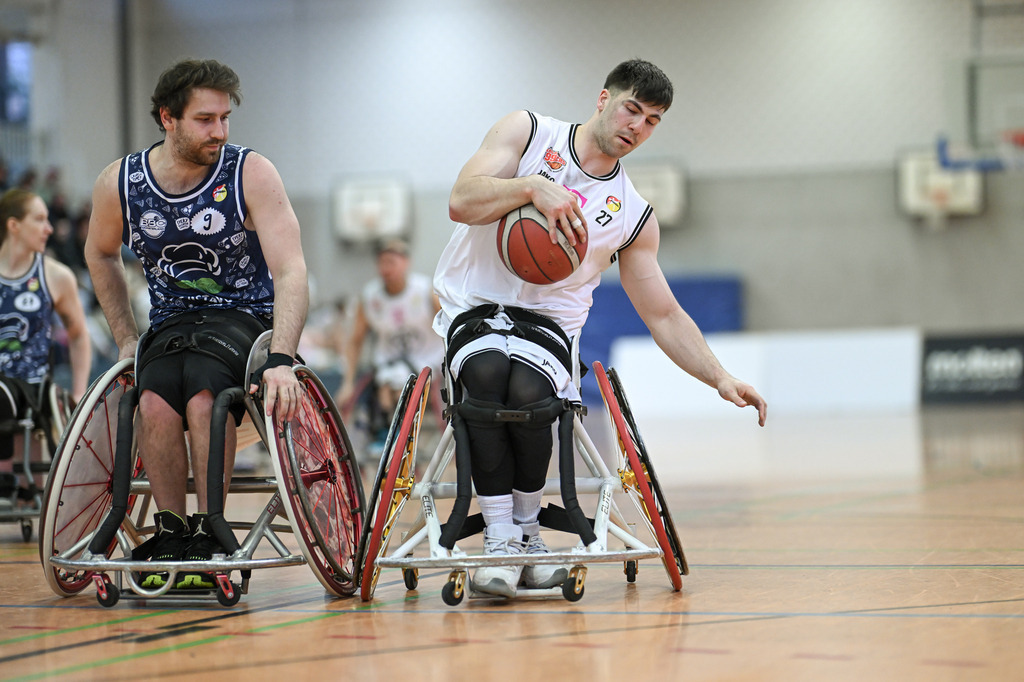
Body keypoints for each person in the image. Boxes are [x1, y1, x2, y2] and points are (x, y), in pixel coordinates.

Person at [433, 59, 768, 598]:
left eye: (653, 120)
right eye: (632, 109)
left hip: (547, 328)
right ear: (603, 99)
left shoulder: (633, 214)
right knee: (488, 372)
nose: (638, 126)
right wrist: (530, 189)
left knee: (528, 389)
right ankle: (499, 537)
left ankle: (526, 535)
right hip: (472, 309)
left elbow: (662, 313)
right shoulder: (526, 131)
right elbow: (461, 200)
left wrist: (720, 377)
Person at [85, 59, 308, 588]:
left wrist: (282, 356)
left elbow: (292, 268)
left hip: (243, 318)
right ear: (168, 118)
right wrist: (123, 335)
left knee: (204, 393)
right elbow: (100, 254)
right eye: (205, 119)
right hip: (170, 322)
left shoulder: (249, 171)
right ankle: (171, 530)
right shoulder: (121, 181)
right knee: (154, 396)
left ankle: (210, 527)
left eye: (225, 118)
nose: (220, 131)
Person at [0, 189, 91, 503]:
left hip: (32, 388)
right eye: (39, 219)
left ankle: (7, 479)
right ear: (14, 226)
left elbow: (79, 335)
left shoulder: (55, 275)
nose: (49, 228)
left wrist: (79, 390)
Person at [337, 238, 442, 451]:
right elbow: (355, 341)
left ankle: (396, 436)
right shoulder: (370, 297)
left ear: (405, 263)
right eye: (382, 262)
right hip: (389, 361)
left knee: (398, 385)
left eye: (392, 262)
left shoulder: (424, 290)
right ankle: (389, 434)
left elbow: (449, 327)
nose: (386, 268)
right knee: (388, 383)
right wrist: (348, 382)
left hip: (427, 359)